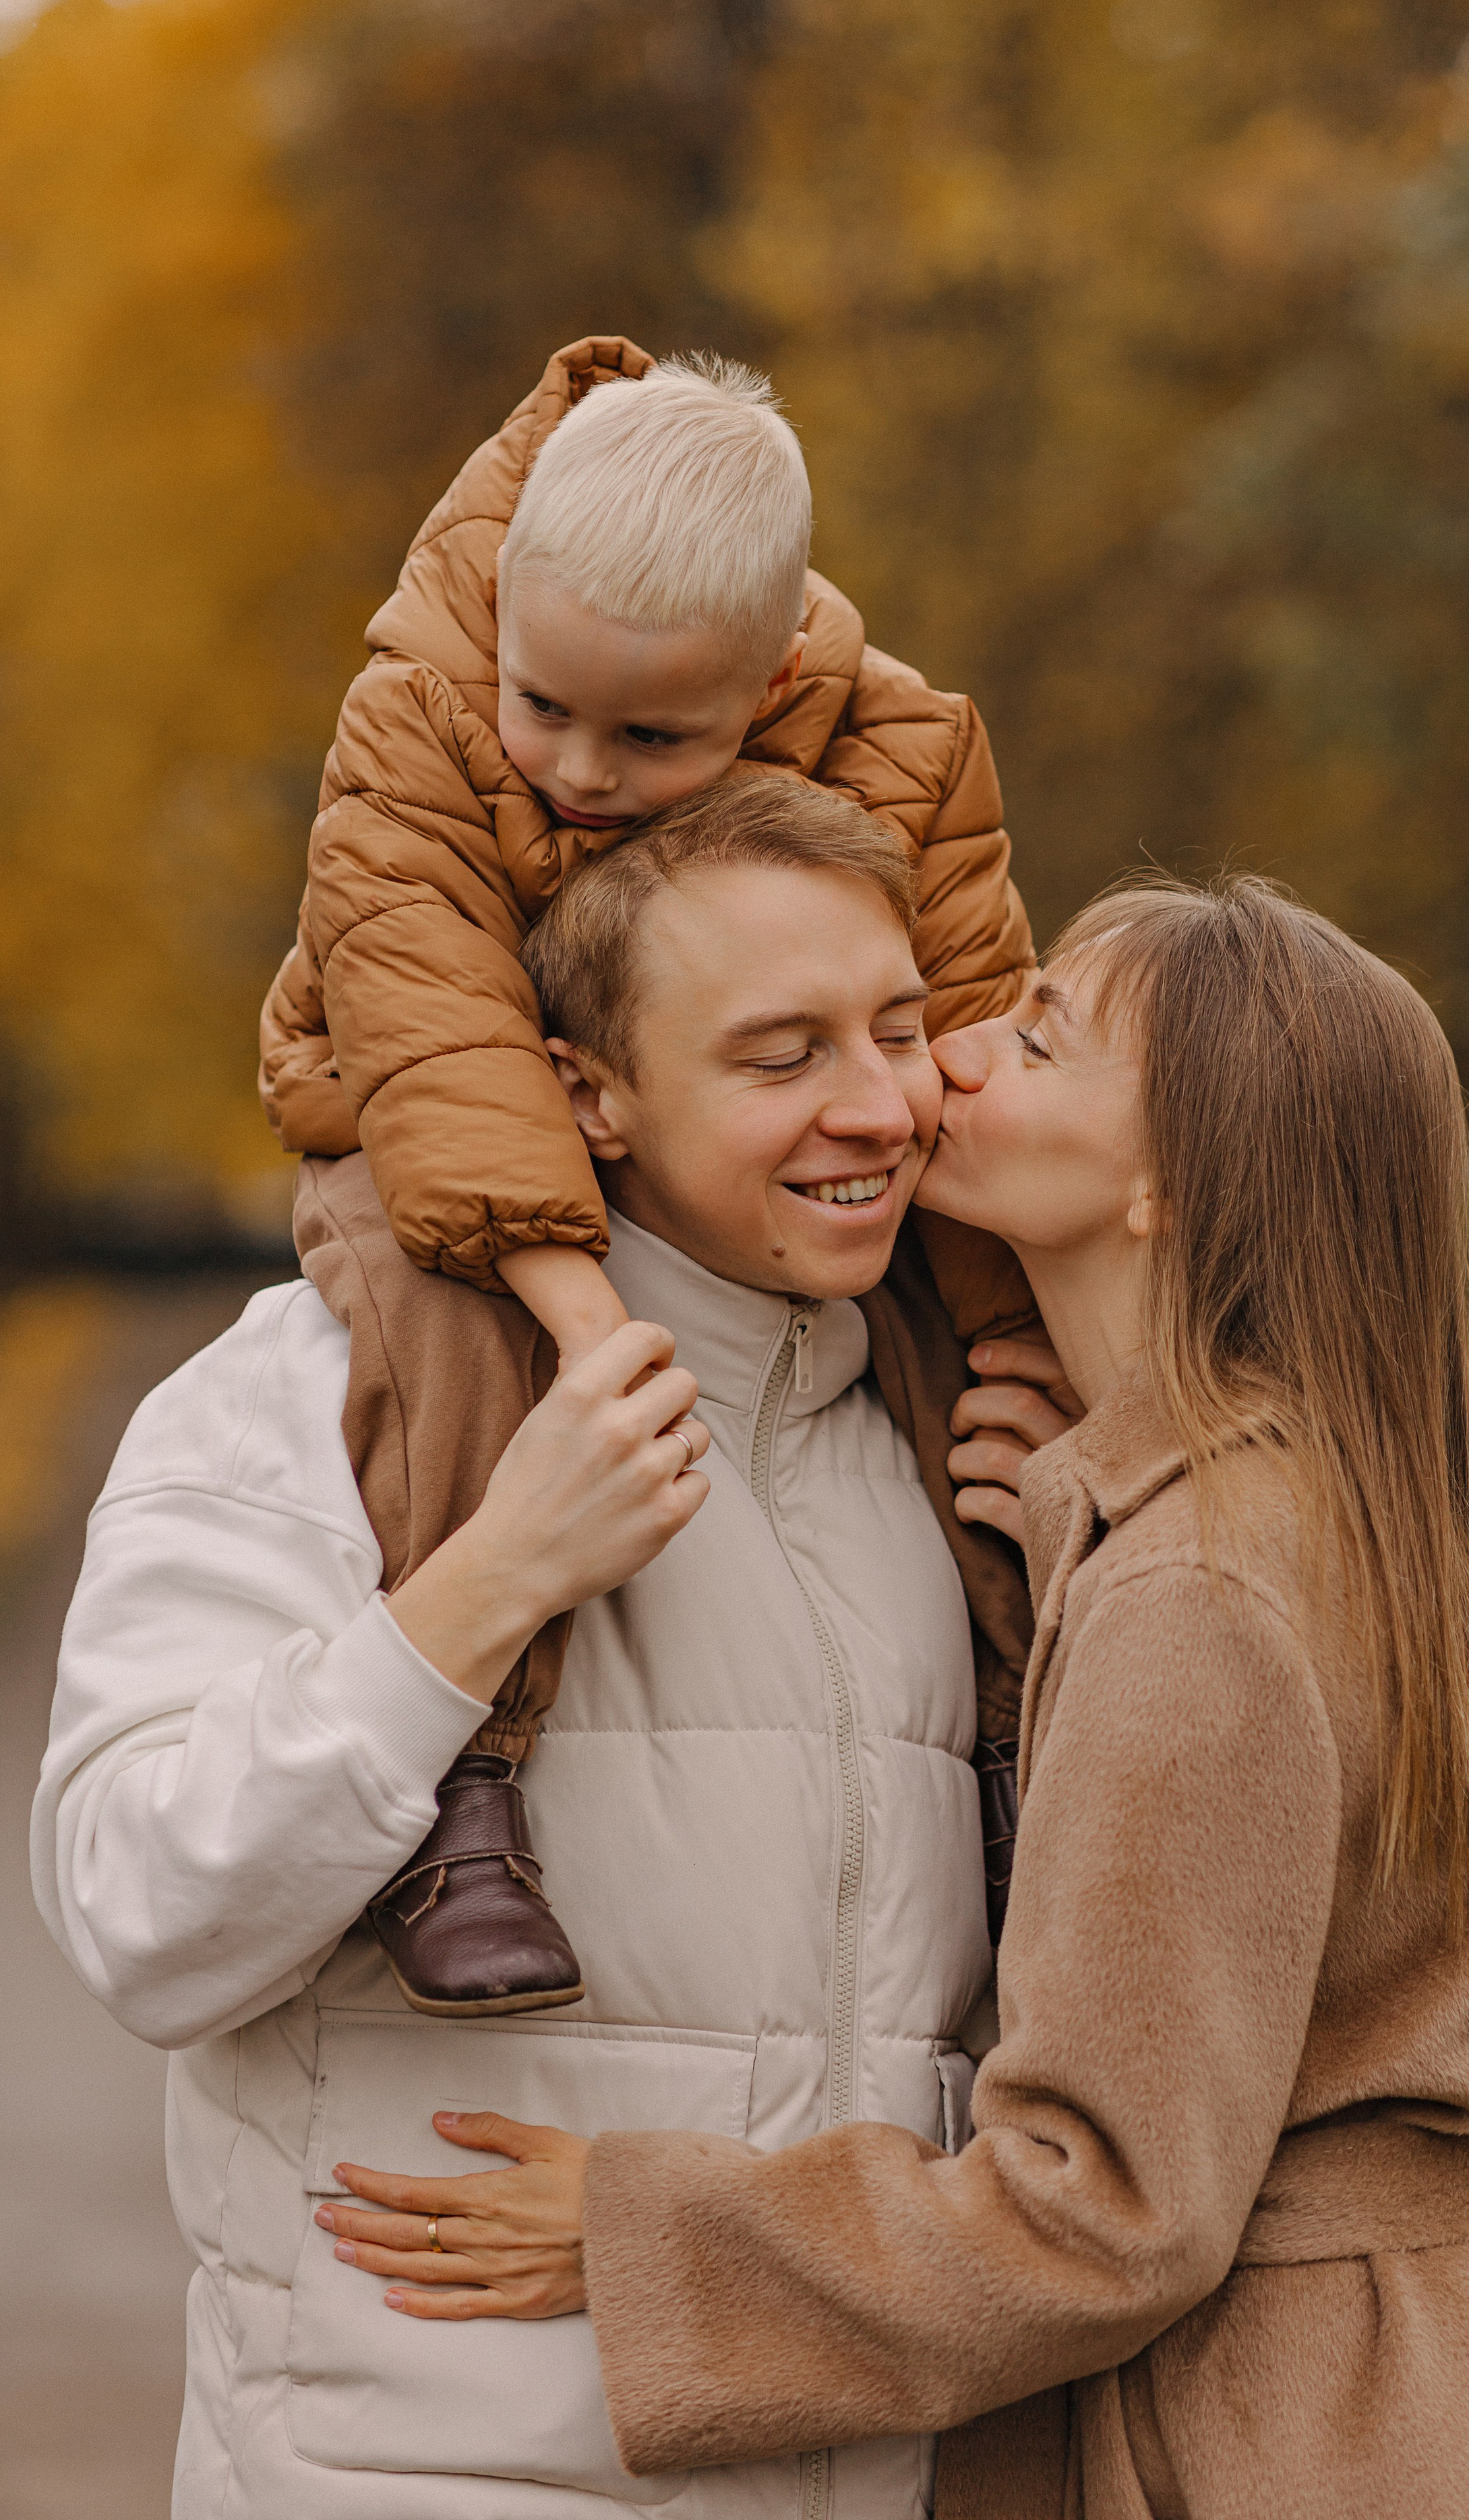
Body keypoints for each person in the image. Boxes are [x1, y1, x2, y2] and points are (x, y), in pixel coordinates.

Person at [315, 873, 1469, 2520]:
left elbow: (1103, 2209)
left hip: (1290, 2435)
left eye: (1037, 1036)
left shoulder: (1202, 1588)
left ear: (1165, 1183)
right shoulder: (1325, 1512)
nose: (949, 1053)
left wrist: (645, 2230)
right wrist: (1068, 1535)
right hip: (1431, 2399)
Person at [34, 780, 1027, 2520]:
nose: (874, 1104)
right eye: (780, 1055)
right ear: (592, 1093)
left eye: (896, 1028)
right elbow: (137, 1916)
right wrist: (484, 1588)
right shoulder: (323, 1390)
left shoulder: (948, 1448)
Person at [258, 332, 1036, 2003]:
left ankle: (1007, 1761)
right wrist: (580, 1308)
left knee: (956, 1386)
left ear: (766, 693)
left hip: (704, 1144)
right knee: (446, 1329)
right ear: (506, 627)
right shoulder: (419, 705)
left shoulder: (900, 744)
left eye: (652, 739)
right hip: (408, 1108)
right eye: (543, 707)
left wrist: (1042, 1344)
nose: (580, 773)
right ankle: (470, 1797)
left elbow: (961, 1029)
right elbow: (437, 1025)